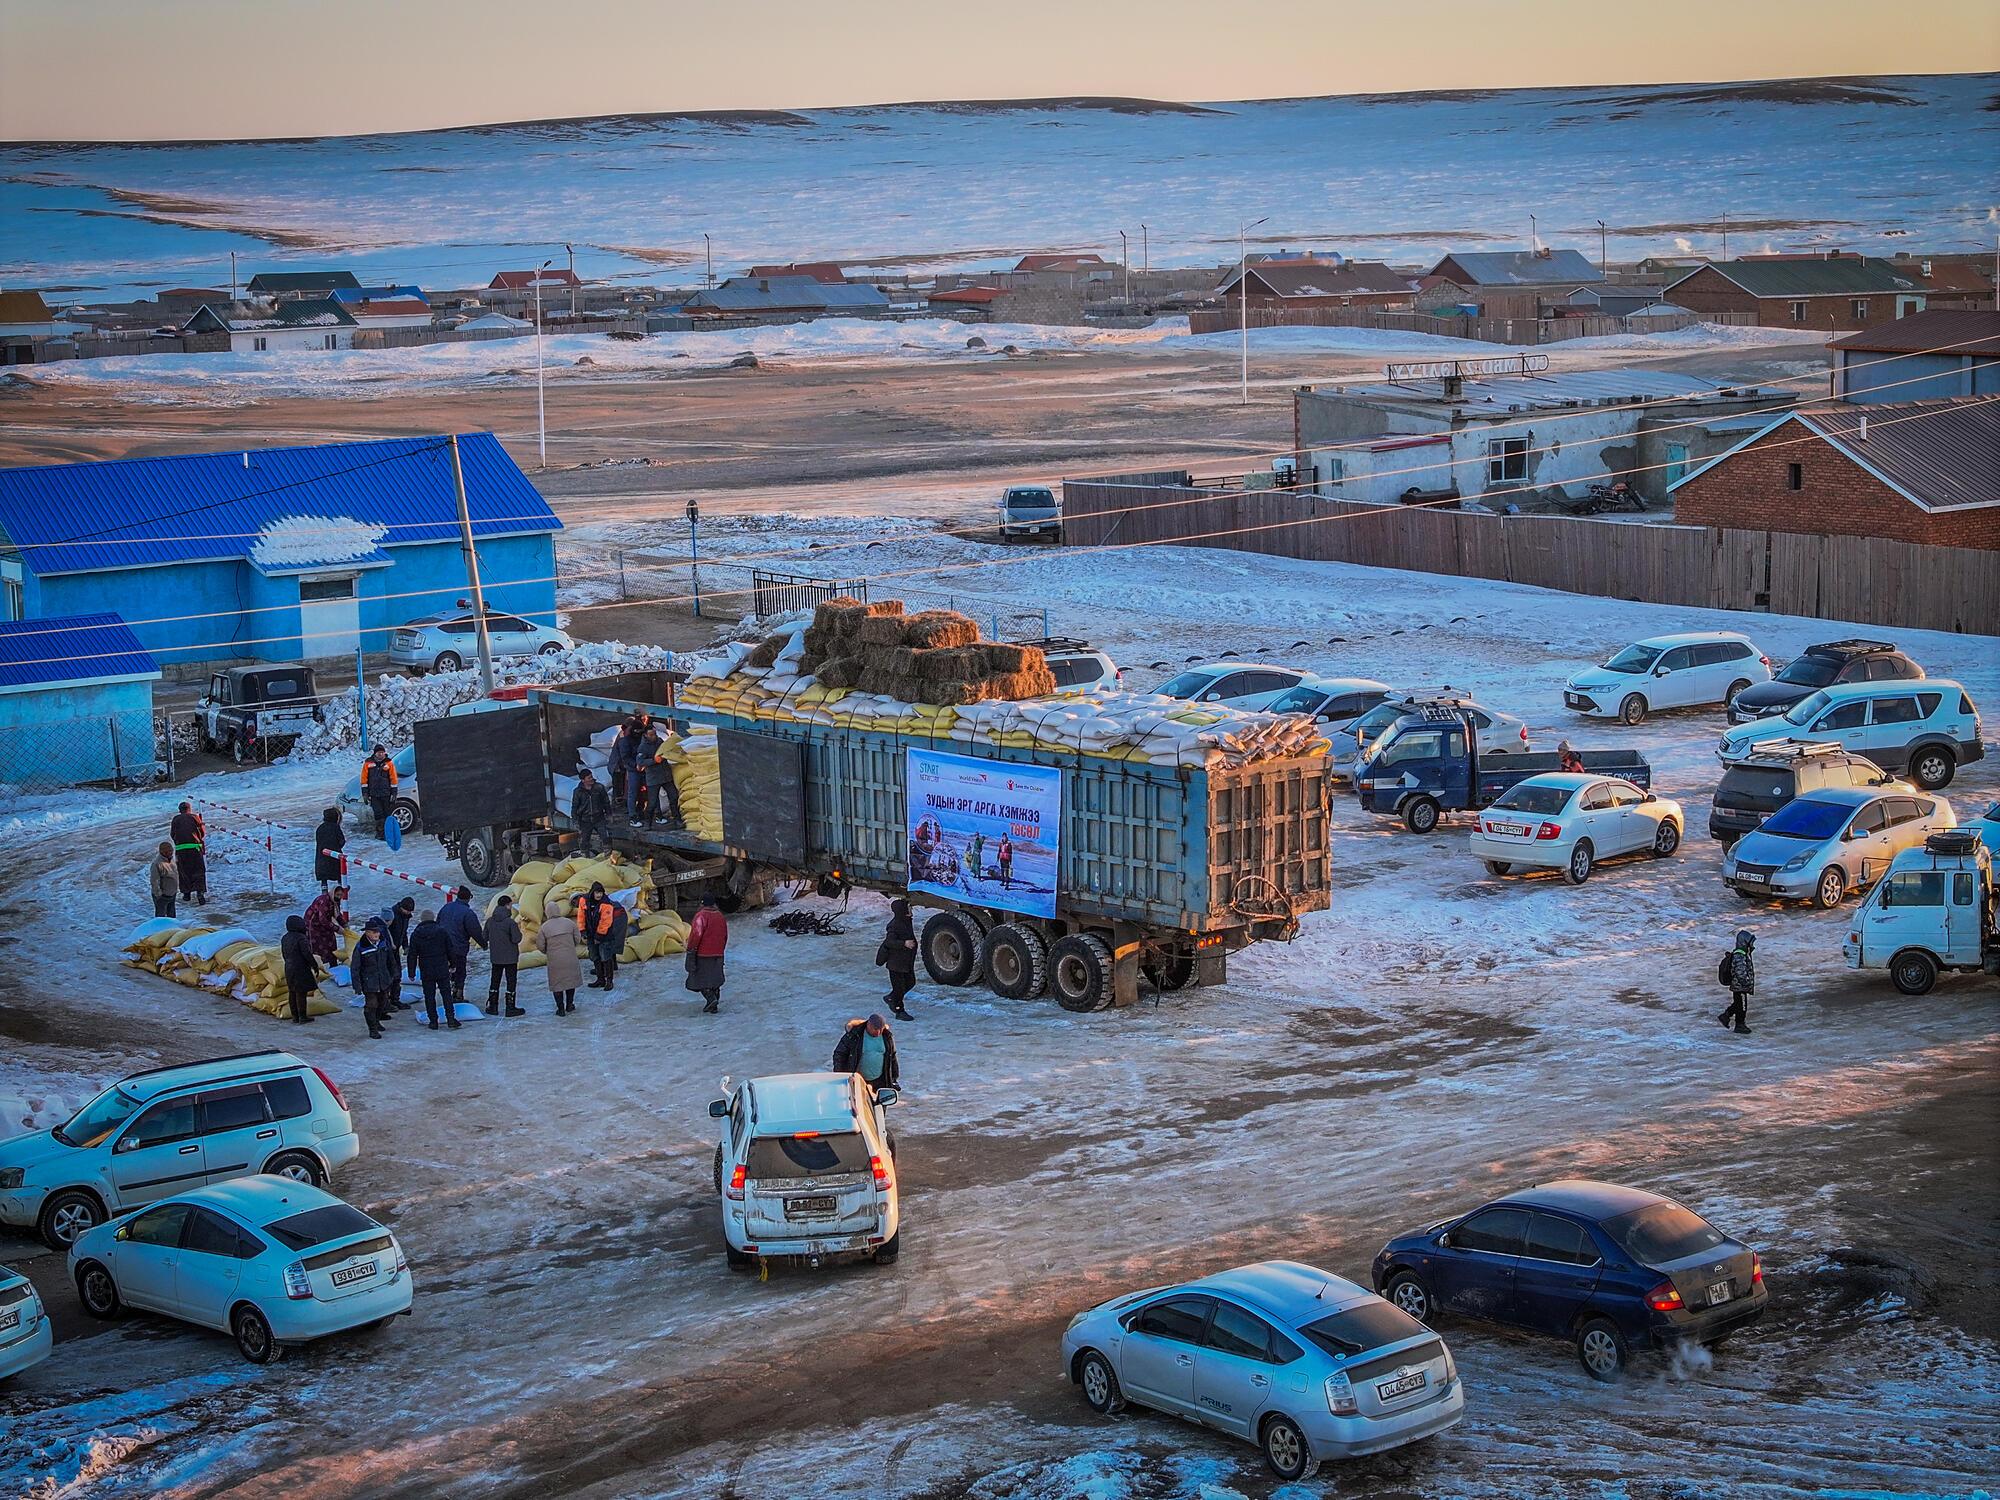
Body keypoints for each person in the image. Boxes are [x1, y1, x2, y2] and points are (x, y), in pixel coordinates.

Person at [406, 908, 457, 1029]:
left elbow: (412, 954)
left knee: (429, 996)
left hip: (426, 968)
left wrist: (411, 972)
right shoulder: (442, 931)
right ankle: (451, 1019)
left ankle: (433, 1021)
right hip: (441, 967)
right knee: (446, 994)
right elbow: (450, 949)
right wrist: (453, 964)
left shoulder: (416, 934)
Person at [437, 885, 487, 1005]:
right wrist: (483, 944)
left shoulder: (446, 907)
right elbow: (475, 931)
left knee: (447, 971)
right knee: (460, 972)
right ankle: (457, 996)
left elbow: (437, 923)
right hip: (458, 948)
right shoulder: (468, 913)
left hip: (443, 947)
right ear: (468, 899)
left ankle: (446, 994)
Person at [351, 917, 399, 1040]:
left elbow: (391, 960)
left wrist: (393, 974)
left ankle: (377, 1021)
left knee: (382, 1002)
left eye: (377, 931)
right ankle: (372, 1029)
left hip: (383, 979)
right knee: (371, 1005)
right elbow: (355, 967)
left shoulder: (383, 943)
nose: (377, 934)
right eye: (374, 932)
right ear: (367, 933)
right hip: (369, 982)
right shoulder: (361, 947)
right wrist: (357, 985)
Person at [832, 1013, 900, 1091]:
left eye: (881, 1029)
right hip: (858, 1080)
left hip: (880, 1081)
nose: (878, 1032)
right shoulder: (854, 1036)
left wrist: (894, 1079)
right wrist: (840, 1076)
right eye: (875, 1029)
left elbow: (892, 1056)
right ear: (868, 1024)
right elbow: (840, 1054)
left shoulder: (887, 1037)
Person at [535, 905, 583, 1015]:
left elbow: (540, 945)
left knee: (557, 984)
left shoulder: (544, 927)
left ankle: (560, 1008)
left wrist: (548, 951)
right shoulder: (569, 923)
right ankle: (570, 1004)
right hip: (570, 957)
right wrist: (570, 946)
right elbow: (577, 938)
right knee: (570, 982)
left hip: (554, 960)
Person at [280, 914, 326, 1026]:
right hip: (300, 968)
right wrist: (314, 965)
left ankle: (294, 1016)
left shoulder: (285, 938)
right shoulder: (301, 938)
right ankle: (303, 1016)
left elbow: (283, 954)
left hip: (289, 967)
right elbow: (307, 954)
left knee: (292, 992)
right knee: (301, 993)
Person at [580, 883, 628, 991]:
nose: (599, 895)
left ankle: (609, 981)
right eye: (597, 893)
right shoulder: (585, 901)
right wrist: (582, 930)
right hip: (591, 934)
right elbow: (581, 916)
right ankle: (600, 979)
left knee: (606, 956)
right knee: (595, 956)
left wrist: (599, 936)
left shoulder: (606, 904)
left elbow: (606, 921)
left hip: (605, 935)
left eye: (601, 893)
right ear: (592, 892)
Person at [876, 897, 918, 1021]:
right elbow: (889, 942)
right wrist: (904, 943)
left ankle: (892, 998)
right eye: (909, 909)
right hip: (896, 964)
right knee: (899, 988)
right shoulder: (895, 925)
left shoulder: (906, 921)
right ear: (902, 911)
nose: (911, 911)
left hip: (906, 962)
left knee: (910, 982)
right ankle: (899, 1010)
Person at [685, 891, 727, 1014]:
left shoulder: (701, 916)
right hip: (718, 952)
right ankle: (714, 1002)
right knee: (715, 979)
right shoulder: (720, 916)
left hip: (704, 953)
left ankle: (711, 998)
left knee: (700, 978)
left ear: (702, 903)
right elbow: (725, 935)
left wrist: (691, 949)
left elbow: (695, 935)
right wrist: (721, 949)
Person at [485, 894, 525, 1016]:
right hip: (510, 958)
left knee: (495, 980)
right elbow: (516, 939)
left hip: (496, 957)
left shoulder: (490, 921)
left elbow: (485, 937)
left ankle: (493, 1006)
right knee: (511, 981)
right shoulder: (510, 923)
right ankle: (510, 1007)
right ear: (507, 905)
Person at [612, 713, 652, 826]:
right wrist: (636, 765)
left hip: (643, 768)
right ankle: (632, 816)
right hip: (632, 770)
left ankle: (641, 810)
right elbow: (625, 757)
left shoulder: (642, 739)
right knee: (632, 793)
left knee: (645, 792)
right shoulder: (625, 741)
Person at [380, 896, 416, 1010]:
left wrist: (405, 945)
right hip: (387, 951)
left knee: (397, 975)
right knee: (389, 975)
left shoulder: (405, 916)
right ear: (402, 907)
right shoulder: (392, 916)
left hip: (395, 950)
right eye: (408, 910)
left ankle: (395, 999)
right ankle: (386, 1002)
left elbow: (403, 932)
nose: (409, 913)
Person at [169, 801, 207, 905]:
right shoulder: (195, 817)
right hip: (194, 848)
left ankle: (186, 894)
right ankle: (200, 892)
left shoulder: (175, 819)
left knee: (183, 871)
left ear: (179, 810)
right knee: (198, 870)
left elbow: (172, 834)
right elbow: (202, 832)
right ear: (189, 809)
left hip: (181, 850)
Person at [1719, 929, 1755, 1035]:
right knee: (1742, 1006)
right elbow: (1740, 972)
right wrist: (1746, 981)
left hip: (1739, 985)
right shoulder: (1740, 955)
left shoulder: (1741, 954)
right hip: (1740, 986)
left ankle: (1726, 1016)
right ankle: (1740, 1024)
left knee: (1738, 1004)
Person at [572, 767, 612, 856]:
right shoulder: (578, 792)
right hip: (585, 820)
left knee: (606, 838)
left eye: (591, 776)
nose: (592, 779)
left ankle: (608, 858)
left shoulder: (599, 787)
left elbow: (606, 802)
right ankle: (585, 859)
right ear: (583, 780)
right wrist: (575, 821)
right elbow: (574, 807)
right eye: (589, 778)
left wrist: (609, 814)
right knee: (584, 842)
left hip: (599, 818)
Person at [361, 745, 399, 838]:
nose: (381, 754)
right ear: (375, 753)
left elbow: (393, 779)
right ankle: (380, 833)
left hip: (386, 793)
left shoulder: (389, 763)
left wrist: (394, 793)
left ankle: (388, 833)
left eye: (382, 752)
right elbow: (364, 779)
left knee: (387, 814)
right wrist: (365, 793)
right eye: (379, 752)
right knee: (378, 814)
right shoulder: (367, 763)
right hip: (374, 794)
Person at [303, 885, 346, 966]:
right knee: (317, 947)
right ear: (333, 893)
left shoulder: (334, 902)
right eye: (337, 895)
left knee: (331, 943)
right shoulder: (324, 901)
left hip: (326, 924)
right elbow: (322, 919)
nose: (339, 897)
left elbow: (337, 914)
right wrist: (337, 929)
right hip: (313, 926)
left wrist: (344, 925)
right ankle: (317, 966)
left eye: (341, 895)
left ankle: (333, 964)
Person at [313, 806, 346, 889]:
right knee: (339, 875)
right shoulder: (335, 827)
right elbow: (341, 840)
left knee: (323, 878)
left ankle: (324, 893)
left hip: (321, 857)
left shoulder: (320, 828)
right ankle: (341, 890)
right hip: (334, 856)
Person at [148, 841, 178, 919]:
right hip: (162, 896)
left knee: (172, 916)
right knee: (160, 917)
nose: (171, 853)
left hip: (172, 893)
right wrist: (158, 894)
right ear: (162, 852)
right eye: (168, 852)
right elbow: (154, 881)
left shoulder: (172, 860)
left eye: (171, 851)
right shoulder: (157, 864)